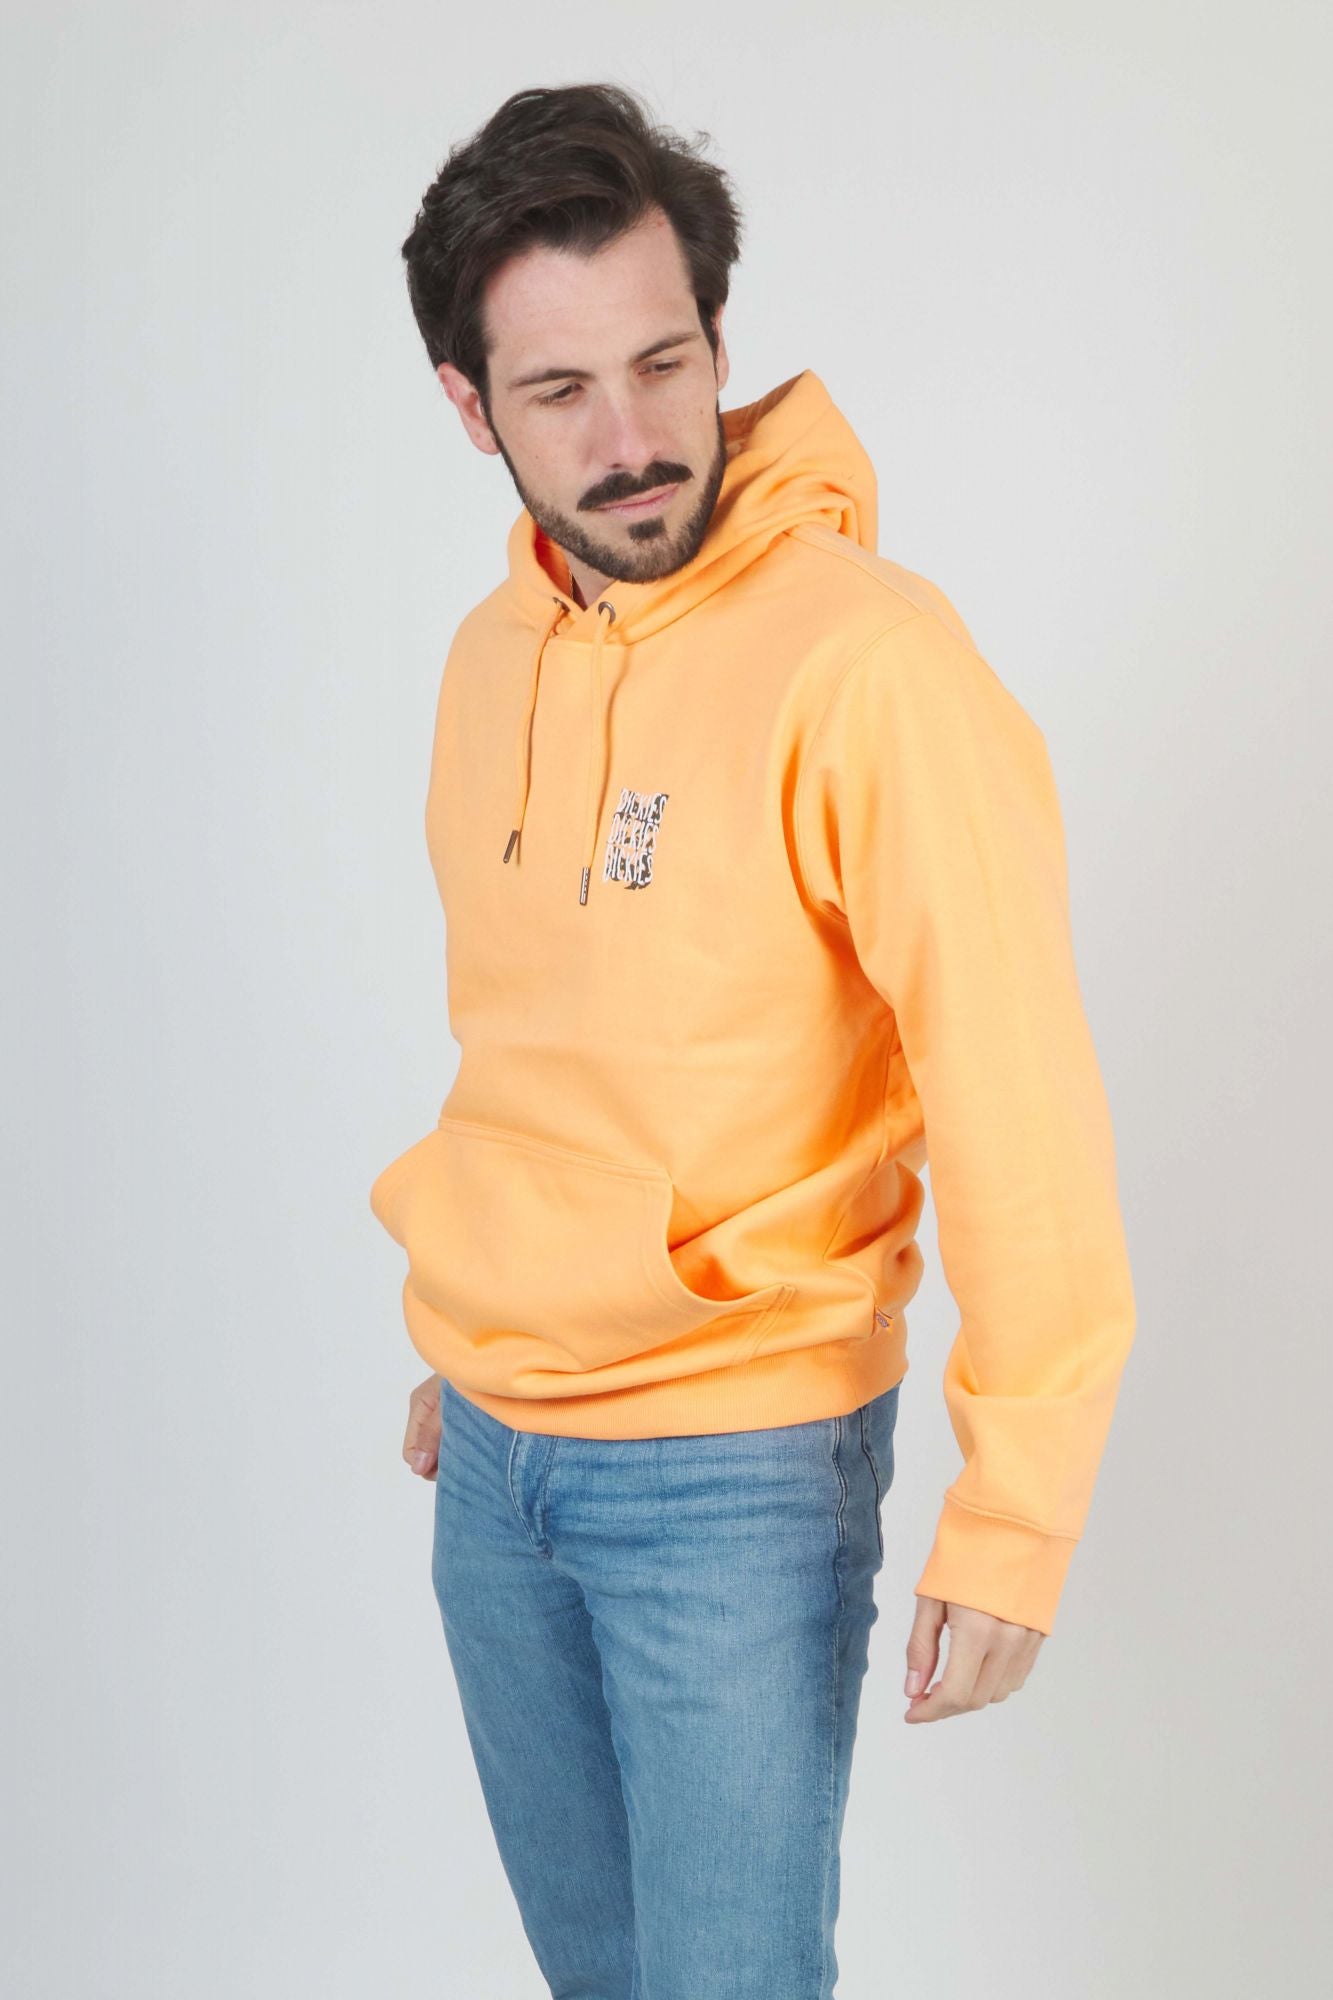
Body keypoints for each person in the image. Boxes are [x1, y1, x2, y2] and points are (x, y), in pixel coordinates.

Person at [371, 80, 1136, 1999]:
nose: (631, 441)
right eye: (559, 392)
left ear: (720, 341)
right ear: (469, 405)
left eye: (664, 363)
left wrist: (1015, 1513)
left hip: (734, 1466)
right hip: (495, 1457)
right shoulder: (486, 660)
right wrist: (480, 1328)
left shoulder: (870, 666)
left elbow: (1014, 1093)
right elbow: (524, 1040)